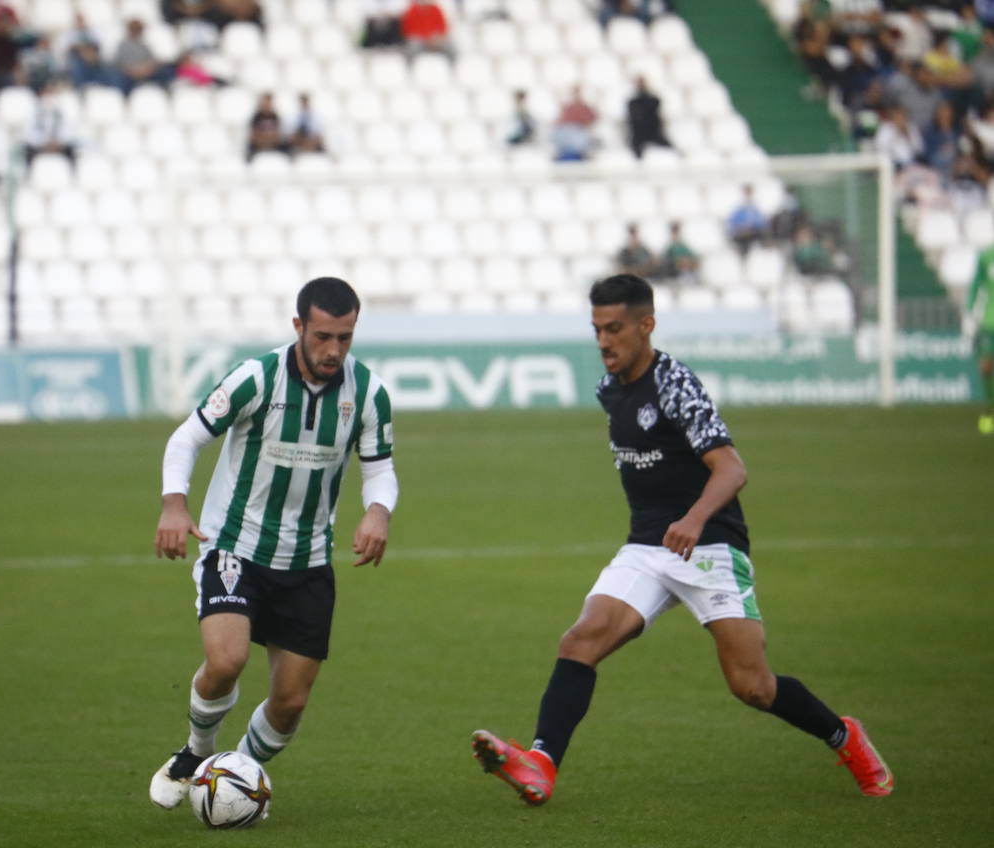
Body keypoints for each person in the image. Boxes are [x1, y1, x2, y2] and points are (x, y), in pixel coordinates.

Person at [470, 273, 894, 807]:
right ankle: (540, 764)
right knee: (580, 640)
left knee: (752, 686)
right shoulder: (610, 389)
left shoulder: (675, 384)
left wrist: (693, 519)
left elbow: (732, 469)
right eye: (597, 328)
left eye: (615, 328)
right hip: (649, 545)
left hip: (710, 543)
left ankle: (844, 737)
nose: (603, 341)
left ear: (646, 325)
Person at [148, 277, 398, 810]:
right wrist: (174, 503)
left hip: (307, 562)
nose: (334, 350)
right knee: (226, 661)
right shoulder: (256, 378)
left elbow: (380, 470)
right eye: (324, 336)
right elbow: (186, 437)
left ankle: (235, 777)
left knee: (290, 703)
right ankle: (197, 754)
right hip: (235, 547)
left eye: (345, 338)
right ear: (299, 327)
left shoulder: (369, 393)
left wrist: (378, 511)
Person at [966, 243, 994, 434]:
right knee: (985, 367)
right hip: (989, 321)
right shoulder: (986, 256)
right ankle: (990, 412)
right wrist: (969, 312)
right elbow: (976, 285)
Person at [626, 76, 672, 159]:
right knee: (636, 153)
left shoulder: (652, 99)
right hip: (639, 134)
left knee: (670, 149)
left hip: (653, 132)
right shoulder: (632, 102)